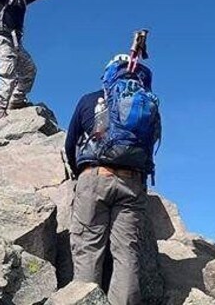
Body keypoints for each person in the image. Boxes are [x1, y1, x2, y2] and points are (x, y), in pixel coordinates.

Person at [64, 54, 160, 305]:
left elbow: (70, 142)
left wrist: (82, 175)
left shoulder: (88, 100)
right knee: (127, 254)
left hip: (96, 177)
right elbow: (149, 149)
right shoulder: (146, 105)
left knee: (87, 249)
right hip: (132, 182)